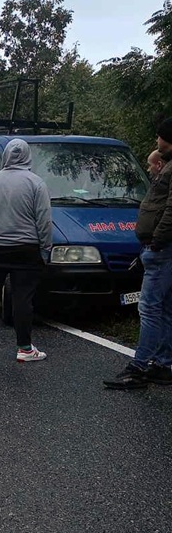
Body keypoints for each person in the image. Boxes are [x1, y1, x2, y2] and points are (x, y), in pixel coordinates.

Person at [104, 119, 172, 389]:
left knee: (149, 307)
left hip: (161, 249)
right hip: (160, 248)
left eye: (159, 137)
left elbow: (170, 209)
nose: (156, 141)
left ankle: (139, 366)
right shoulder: (166, 166)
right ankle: (164, 364)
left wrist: (156, 240)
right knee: (165, 308)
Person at [0, 138, 52, 362]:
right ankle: (25, 348)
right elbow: (43, 221)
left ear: (5, 156)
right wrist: (45, 249)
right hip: (25, 249)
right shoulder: (36, 183)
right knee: (22, 298)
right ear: (27, 156)